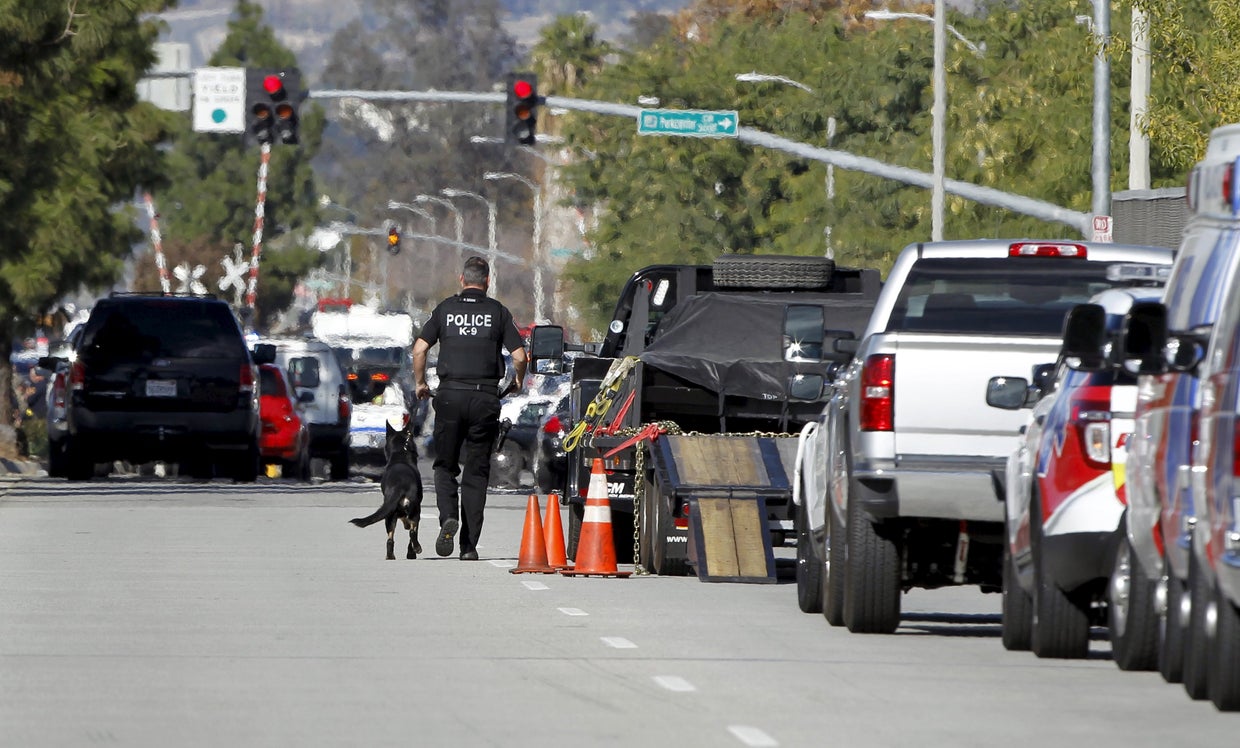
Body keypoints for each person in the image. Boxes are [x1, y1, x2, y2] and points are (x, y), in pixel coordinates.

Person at [412, 256, 527, 560]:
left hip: (449, 397)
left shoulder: (446, 310)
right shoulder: (497, 313)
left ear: (461, 280)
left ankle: (448, 515)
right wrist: (517, 382)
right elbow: (519, 356)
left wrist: (421, 383)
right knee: (476, 472)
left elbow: (420, 349)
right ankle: (469, 546)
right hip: (485, 399)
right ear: (487, 281)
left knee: (445, 465)